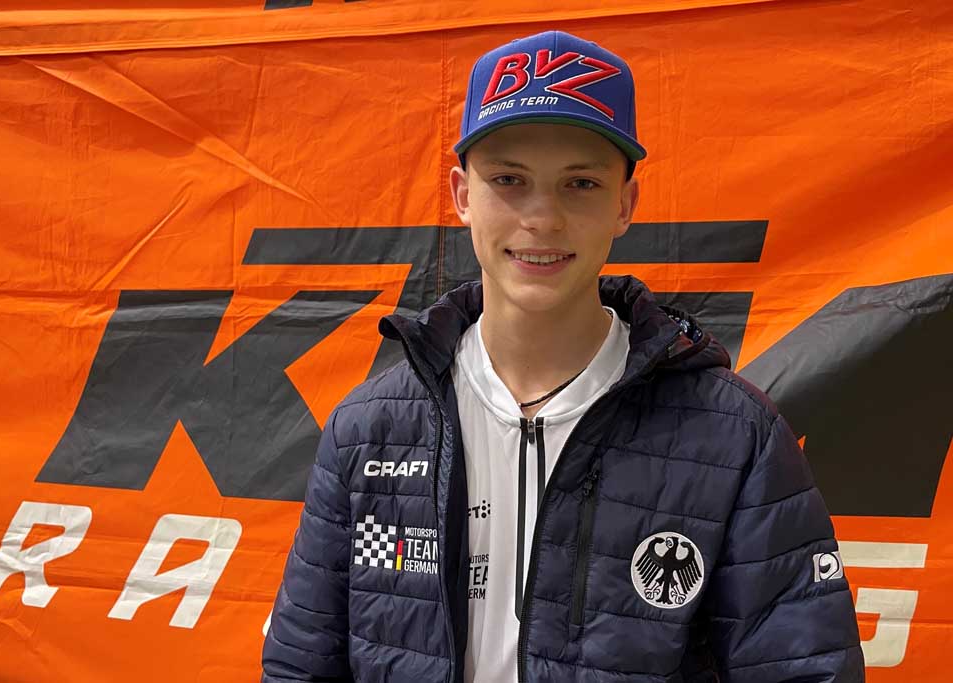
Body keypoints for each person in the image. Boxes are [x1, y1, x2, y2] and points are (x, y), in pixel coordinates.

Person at [261, 29, 865, 682]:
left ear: (624, 204)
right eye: (508, 179)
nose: (543, 217)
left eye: (580, 183)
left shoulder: (734, 436)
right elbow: (300, 667)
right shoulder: (369, 429)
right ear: (462, 195)